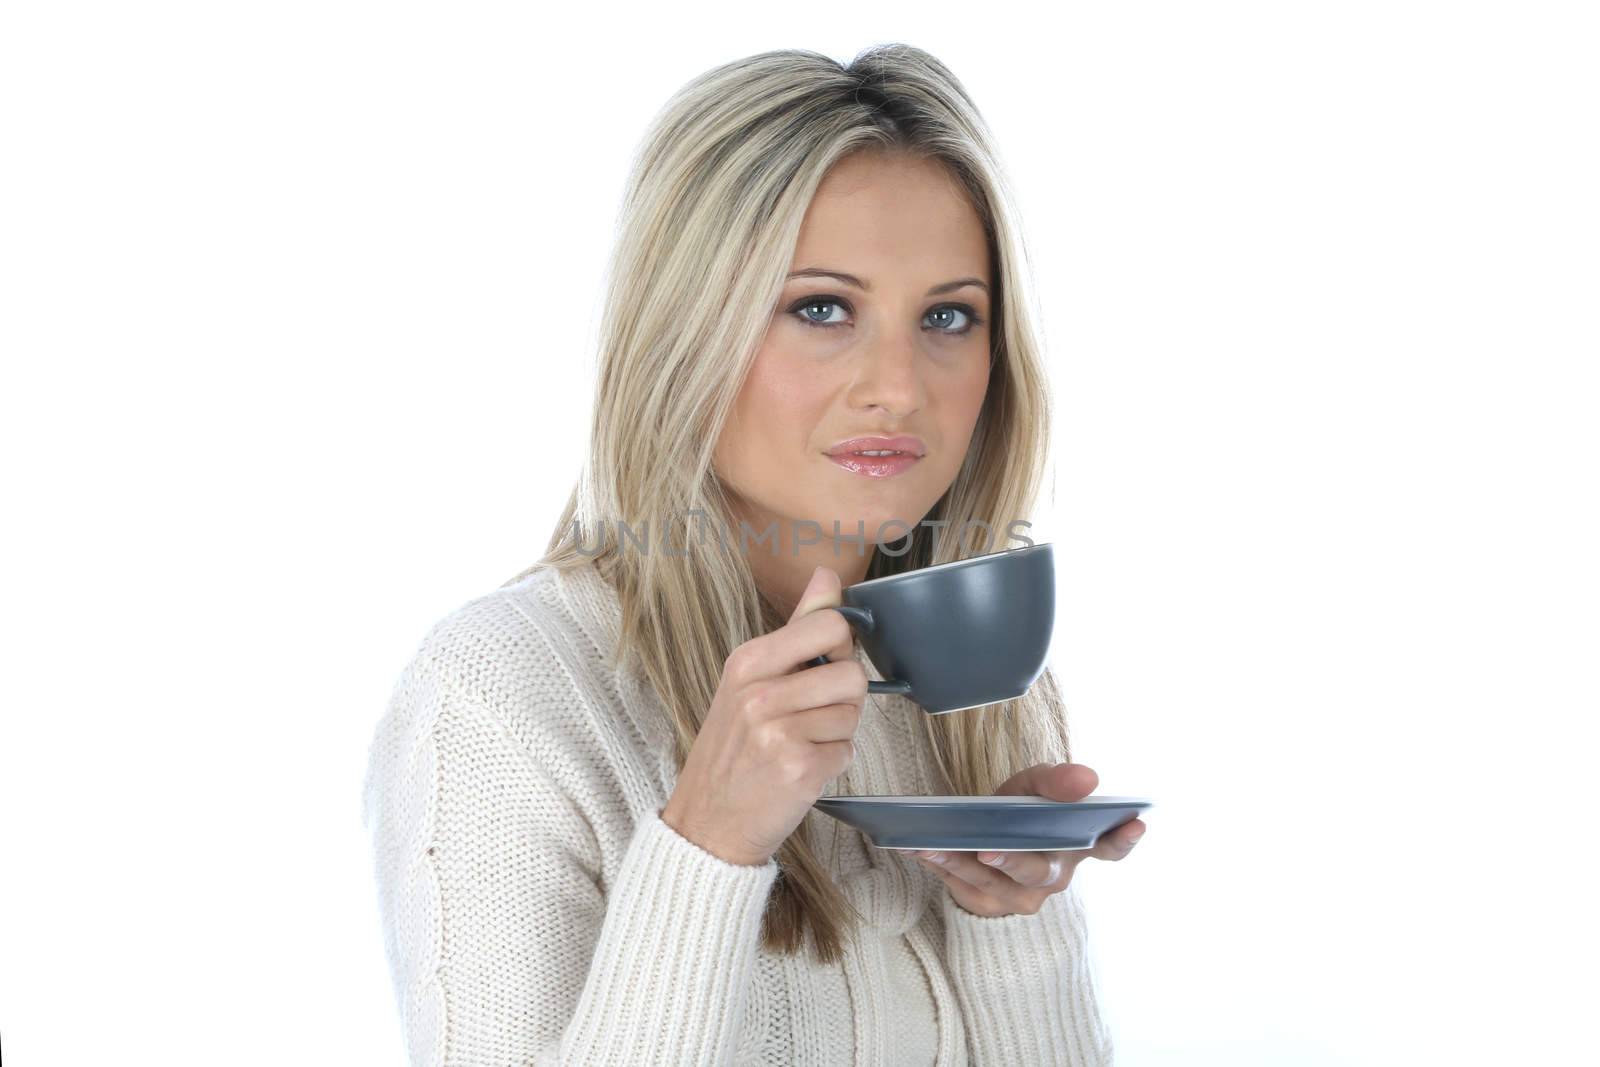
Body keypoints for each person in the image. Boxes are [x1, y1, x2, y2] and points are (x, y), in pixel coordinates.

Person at [361, 43, 1146, 1066]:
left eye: (949, 315)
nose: (900, 385)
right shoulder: (498, 697)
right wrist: (706, 842)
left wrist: (1013, 918)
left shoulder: (980, 689)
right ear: (686, 332)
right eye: (822, 307)